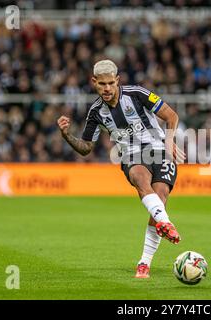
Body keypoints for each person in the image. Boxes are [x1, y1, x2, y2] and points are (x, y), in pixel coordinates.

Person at [57, 60, 186, 279]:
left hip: (159, 148)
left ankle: (144, 263)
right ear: (94, 82)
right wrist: (67, 135)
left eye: (110, 83)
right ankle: (166, 223)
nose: (106, 89)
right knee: (139, 177)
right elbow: (86, 148)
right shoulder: (96, 112)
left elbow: (171, 116)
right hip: (132, 155)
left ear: (117, 81)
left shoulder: (137, 94)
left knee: (160, 197)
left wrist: (170, 141)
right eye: (101, 84)